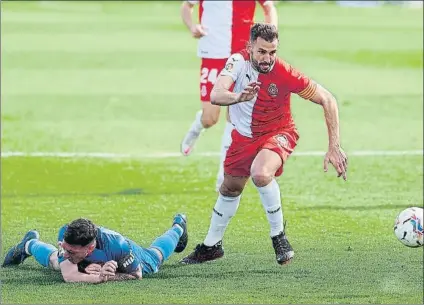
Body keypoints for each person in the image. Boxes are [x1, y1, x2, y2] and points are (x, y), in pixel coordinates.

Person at [180, 23, 348, 265]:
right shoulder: (237, 63)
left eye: (272, 52)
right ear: (250, 47)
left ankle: (278, 236)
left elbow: (328, 99)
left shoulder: (285, 72)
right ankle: (211, 246)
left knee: (260, 173)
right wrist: (239, 97)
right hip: (243, 137)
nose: (267, 58)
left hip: (278, 133)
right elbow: (216, 95)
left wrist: (334, 146)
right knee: (229, 188)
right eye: (262, 52)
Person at [180, 0, 278, 192]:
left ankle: (223, 175)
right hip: (212, 53)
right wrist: (193, 26)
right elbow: (187, 6)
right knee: (210, 119)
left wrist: (271, 33)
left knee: (234, 118)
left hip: (242, 55)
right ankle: (197, 127)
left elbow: (269, 6)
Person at [2, 214, 188, 283]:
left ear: (89, 248)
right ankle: (29, 244)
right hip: (96, 261)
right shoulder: (67, 233)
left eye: (71, 252)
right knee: (56, 264)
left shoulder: (118, 245)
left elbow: (136, 275)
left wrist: (108, 277)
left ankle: (178, 226)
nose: (65, 254)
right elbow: (69, 276)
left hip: (128, 259)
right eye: (65, 249)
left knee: (155, 258)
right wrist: (93, 274)